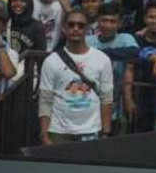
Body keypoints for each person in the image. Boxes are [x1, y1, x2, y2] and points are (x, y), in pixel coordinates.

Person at [38, 11, 113, 144]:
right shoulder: (51, 61)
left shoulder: (102, 59)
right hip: (58, 131)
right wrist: (44, 134)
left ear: (87, 29)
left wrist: (106, 132)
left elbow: (106, 98)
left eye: (80, 25)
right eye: (71, 25)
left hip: (91, 130)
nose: (75, 29)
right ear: (64, 28)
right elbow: (45, 99)